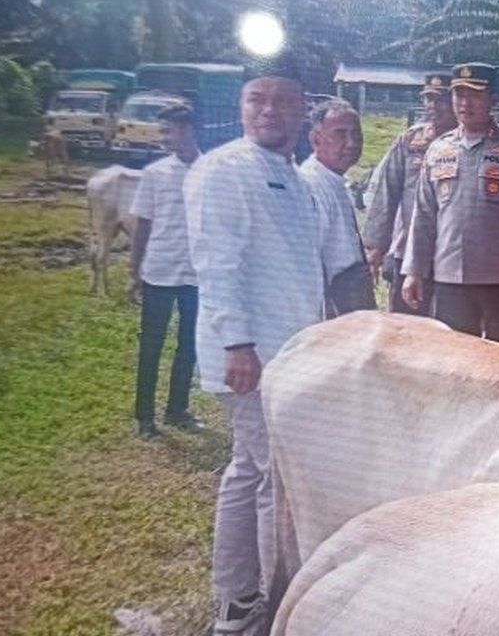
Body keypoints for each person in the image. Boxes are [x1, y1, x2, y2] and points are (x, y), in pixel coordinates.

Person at [183, 71, 324, 635]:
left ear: (301, 112)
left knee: (249, 473)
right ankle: (273, 606)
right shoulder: (223, 170)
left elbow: (299, 272)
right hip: (252, 359)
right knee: (274, 481)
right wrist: (237, 343)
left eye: (284, 101)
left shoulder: (294, 178)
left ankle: (239, 600)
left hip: (289, 358)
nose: (270, 111)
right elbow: (217, 266)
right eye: (257, 100)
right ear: (241, 107)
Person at [400, 63, 499, 347]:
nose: (465, 104)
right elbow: (424, 216)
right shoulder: (438, 149)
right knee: (453, 359)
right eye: (459, 95)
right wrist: (414, 270)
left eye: (475, 95)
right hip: (449, 276)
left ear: (493, 99)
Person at [128, 103, 201, 439]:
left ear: (192, 130)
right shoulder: (155, 173)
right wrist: (134, 270)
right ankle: (144, 417)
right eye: (168, 131)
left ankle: (177, 409)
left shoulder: (210, 171)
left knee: (189, 344)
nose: (173, 137)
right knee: (152, 345)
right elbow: (143, 224)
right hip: (159, 269)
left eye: (178, 130)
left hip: (197, 274)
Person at [362, 72, 456, 316]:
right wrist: (376, 247)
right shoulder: (410, 141)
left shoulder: (464, 143)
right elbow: (387, 193)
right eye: (429, 100)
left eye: (441, 101)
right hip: (408, 250)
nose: (433, 107)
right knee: (405, 325)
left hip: (450, 251)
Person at [299, 100, 373, 317]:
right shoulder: (311, 185)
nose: (351, 143)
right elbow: (311, 261)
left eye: (356, 134)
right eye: (340, 134)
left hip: (352, 295)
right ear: (316, 139)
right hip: (332, 306)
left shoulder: (339, 182)